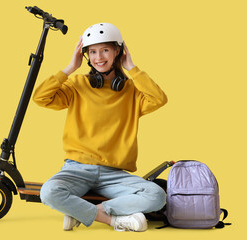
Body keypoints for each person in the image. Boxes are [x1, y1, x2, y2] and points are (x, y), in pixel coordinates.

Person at [33, 23, 168, 232]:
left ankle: (83, 212)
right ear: (86, 55)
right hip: (76, 169)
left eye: (105, 50)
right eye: (92, 52)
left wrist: (132, 68)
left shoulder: (132, 91)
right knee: (49, 192)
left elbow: (159, 99)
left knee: (157, 196)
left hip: (114, 174)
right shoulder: (77, 84)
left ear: (117, 51)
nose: (99, 57)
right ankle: (112, 220)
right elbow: (41, 97)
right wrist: (70, 68)